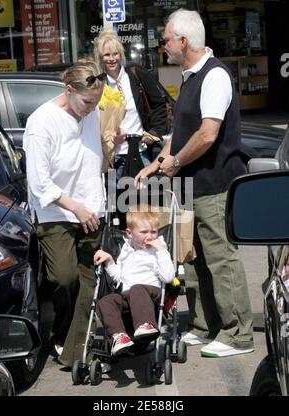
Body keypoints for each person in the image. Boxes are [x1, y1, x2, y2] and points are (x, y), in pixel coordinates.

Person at [135, 9, 254, 358]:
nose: (163, 47)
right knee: (194, 260)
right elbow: (180, 134)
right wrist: (157, 165)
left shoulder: (215, 76)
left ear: (184, 41)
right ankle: (207, 326)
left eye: (166, 40)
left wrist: (174, 162)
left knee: (220, 259)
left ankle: (237, 334)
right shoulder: (190, 76)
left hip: (215, 184)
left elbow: (207, 134)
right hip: (189, 186)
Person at [23, 60, 106, 367]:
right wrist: (75, 207)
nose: (91, 108)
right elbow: (39, 182)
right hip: (55, 211)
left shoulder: (92, 110)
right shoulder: (41, 122)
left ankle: (76, 349)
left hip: (92, 206)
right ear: (68, 90)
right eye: (87, 102)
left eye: (96, 102)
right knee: (63, 278)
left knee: (88, 281)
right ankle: (61, 330)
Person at [93, 205, 174, 356]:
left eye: (154, 231)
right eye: (144, 232)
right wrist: (110, 261)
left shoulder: (158, 249)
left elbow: (168, 277)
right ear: (129, 233)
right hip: (128, 295)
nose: (150, 236)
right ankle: (119, 336)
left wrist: (161, 251)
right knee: (105, 301)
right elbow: (119, 278)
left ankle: (146, 324)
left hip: (151, 293)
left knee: (137, 288)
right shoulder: (126, 250)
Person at [94, 29, 168, 180]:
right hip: (112, 158)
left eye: (115, 54)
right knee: (117, 202)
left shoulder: (136, 75)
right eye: (107, 55)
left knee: (146, 201)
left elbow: (159, 105)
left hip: (141, 153)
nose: (112, 59)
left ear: (121, 55)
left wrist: (154, 133)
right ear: (101, 58)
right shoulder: (99, 84)